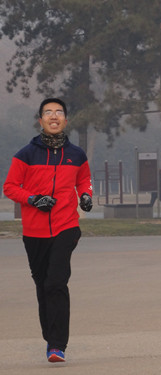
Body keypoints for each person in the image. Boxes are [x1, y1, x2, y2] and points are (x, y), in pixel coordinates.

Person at [3, 98, 93, 363]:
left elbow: (84, 179)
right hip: (34, 231)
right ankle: (50, 338)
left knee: (56, 282)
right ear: (40, 120)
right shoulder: (25, 154)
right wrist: (33, 199)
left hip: (66, 226)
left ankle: (57, 345)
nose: (54, 116)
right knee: (43, 286)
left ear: (65, 120)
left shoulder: (77, 154)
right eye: (48, 112)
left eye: (59, 112)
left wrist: (85, 195)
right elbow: (10, 186)